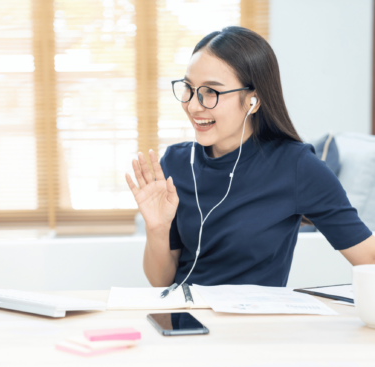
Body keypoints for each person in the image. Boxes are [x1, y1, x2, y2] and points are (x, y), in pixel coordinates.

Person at [125, 26, 375, 288]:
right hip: (186, 320)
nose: (193, 105)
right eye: (189, 87)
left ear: (253, 100)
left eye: (211, 91)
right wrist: (156, 229)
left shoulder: (297, 166)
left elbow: (368, 257)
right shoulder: (175, 163)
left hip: (255, 325)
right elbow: (160, 282)